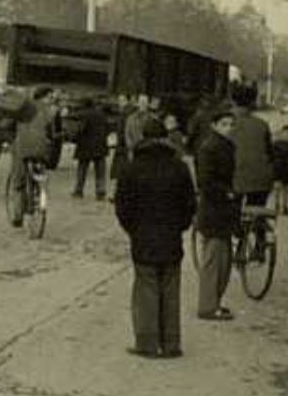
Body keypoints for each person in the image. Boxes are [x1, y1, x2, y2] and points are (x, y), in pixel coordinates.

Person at [115, 117, 196, 358]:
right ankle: (171, 343)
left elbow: (122, 206)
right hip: (171, 236)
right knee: (171, 289)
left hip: (143, 236)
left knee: (146, 288)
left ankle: (147, 343)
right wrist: (180, 226)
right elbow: (190, 204)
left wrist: (133, 229)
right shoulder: (179, 167)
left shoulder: (131, 167)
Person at [194, 107, 239, 321]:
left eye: (231, 124)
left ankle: (215, 303)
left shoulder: (225, 146)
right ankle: (208, 306)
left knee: (223, 260)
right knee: (214, 260)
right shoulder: (209, 148)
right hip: (214, 210)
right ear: (214, 125)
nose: (228, 128)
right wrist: (227, 192)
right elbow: (204, 181)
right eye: (224, 124)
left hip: (222, 209)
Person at [9, 86, 56, 217]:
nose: (52, 100)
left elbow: (7, 125)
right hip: (41, 148)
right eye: (50, 97)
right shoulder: (49, 111)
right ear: (43, 97)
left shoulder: (22, 107)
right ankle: (39, 192)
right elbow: (52, 132)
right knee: (40, 172)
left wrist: (10, 138)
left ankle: (17, 214)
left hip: (22, 146)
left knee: (18, 180)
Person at [230, 83, 273, 212]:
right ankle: (257, 226)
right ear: (252, 103)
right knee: (256, 210)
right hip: (261, 181)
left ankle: (236, 229)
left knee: (231, 209)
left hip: (232, 179)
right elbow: (269, 152)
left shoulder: (224, 124)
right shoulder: (262, 125)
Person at [72, 97, 109, 200]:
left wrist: (75, 138)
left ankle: (79, 190)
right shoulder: (101, 115)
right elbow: (108, 129)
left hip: (85, 146)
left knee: (82, 170)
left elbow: (80, 129)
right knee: (100, 171)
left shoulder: (82, 115)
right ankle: (100, 191)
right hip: (100, 145)